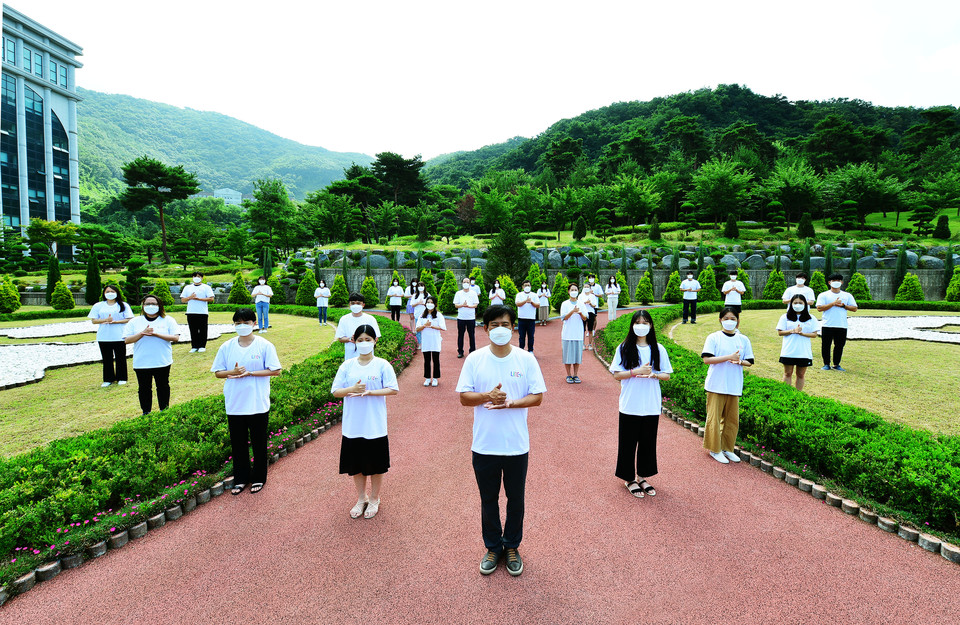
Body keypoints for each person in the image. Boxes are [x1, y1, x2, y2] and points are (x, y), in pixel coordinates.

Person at [456, 305, 546, 577]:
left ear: (513, 327)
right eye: (494, 324)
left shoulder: (525, 359)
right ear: (485, 329)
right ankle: (493, 547)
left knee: (516, 499)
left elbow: (538, 396)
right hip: (484, 445)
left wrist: (510, 403)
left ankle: (512, 547)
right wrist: (487, 396)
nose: (500, 329)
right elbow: (463, 397)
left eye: (505, 324)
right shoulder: (475, 359)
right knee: (489, 499)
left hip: (517, 445)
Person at [211, 308, 282, 495]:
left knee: (258, 442)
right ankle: (241, 478)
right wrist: (231, 373)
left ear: (254, 324)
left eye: (246, 322)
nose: (242, 326)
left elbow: (276, 370)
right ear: (234, 325)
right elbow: (218, 373)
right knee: (238, 443)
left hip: (257, 402)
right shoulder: (226, 347)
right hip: (235, 403)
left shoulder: (265, 345)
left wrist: (251, 373)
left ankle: (259, 478)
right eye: (238, 323)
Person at [331, 325, 399, 519]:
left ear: (375, 341)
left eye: (368, 339)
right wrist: (352, 388)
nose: (364, 343)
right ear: (354, 341)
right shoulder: (347, 366)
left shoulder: (382, 365)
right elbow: (336, 391)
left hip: (375, 424)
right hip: (353, 424)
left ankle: (375, 498)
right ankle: (361, 498)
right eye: (360, 340)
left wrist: (370, 392)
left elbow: (393, 389)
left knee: (377, 465)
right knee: (356, 465)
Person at [609, 310, 672, 498]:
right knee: (628, 443)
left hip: (651, 404)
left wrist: (654, 374)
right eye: (638, 322)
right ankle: (629, 479)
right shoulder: (624, 348)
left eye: (645, 322)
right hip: (630, 404)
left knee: (648, 442)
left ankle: (642, 476)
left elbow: (667, 375)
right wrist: (635, 371)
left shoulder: (658, 349)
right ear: (632, 325)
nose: (641, 325)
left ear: (651, 326)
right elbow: (617, 374)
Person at [700, 308, 754, 464]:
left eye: (733, 318)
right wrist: (729, 357)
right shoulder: (713, 338)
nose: (729, 321)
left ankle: (727, 448)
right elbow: (707, 359)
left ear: (738, 320)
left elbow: (749, 361)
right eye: (726, 318)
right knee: (714, 418)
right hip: (716, 384)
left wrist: (740, 362)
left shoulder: (743, 339)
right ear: (720, 320)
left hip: (734, 384)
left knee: (732, 420)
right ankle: (714, 449)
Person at [124, 295, 181, 415]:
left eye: (154, 304)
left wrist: (157, 334)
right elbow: (127, 340)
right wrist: (142, 333)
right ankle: (146, 412)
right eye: (147, 304)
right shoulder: (135, 322)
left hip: (162, 360)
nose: (150, 306)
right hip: (142, 362)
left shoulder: (168, 320)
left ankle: (164, 410)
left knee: (163, 386)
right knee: (144, 388)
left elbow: (175, 337)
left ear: (159, 305)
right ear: (143, 306)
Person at [88, 284, 134, 387]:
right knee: (106, 358)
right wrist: (106, 320)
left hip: (119, 336)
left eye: (112, 292)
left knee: (120, 358)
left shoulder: (123, 305)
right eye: (107, 292)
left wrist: (116, 322)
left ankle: (122, 377)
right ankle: (108, 379)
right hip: (104, 336)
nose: (110, 294)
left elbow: (129, 318)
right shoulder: (98, 305)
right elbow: (94, 320)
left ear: (117, 293)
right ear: (104, 294)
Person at [815, 273, 858, 372]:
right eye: (834, 281)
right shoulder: (824, 295)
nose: (836, 283)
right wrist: (833, 303)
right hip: (827, 324)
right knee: (826, 345)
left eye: (838, 281)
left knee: (839, 346)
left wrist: (843, 306)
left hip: (841, 325)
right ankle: (826, 364)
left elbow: (854, 308)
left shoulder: (847, 295)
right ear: (829, 282)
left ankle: (836, 364)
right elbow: (819, 308)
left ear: (842, 282)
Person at [777, 295, 820, 391]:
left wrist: (802, 333)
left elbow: (814, 334)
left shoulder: (811, 318)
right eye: (795, 303)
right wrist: (792, 330)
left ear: (805, 304)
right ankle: (786, 394)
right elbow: (780, 332)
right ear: (791, 304)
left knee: (800, 374)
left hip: (803, 351)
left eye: (800, 303)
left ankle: (798, 394)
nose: (798, 305)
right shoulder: (785, 317)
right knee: (787, 373)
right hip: (788, 351)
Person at [335, 293, 381, 360]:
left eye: (358, 303)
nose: (355, 305)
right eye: (353, 303)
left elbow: (376, 338)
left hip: (368, 357)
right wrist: (350, 339)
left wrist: (364, 340)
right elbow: (340, 338)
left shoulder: (370, 319)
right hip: (350, 356)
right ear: (349, 304)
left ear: (363, 305)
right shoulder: (344, 319)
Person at [415, 295, 446, 386]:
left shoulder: (438, 315)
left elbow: (443, 327)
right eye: (428, 302)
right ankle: (427, 378)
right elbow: (417, 329)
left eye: (431, 303)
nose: (430, 304)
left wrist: (432, 326)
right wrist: (424, 325)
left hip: (435, 340)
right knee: (427, 359)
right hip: (426, 341)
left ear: (435, 304)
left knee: (436, 359)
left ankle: (435, 378)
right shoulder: (422, 315)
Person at [180, 271, 214, 353]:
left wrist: (199, 299)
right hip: (191, 312)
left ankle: (202, 346)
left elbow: (211, 298)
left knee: (202, 329)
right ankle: (194, 346)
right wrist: (190, 297)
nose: (196, 278)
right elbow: (183, 300)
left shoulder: (206, 287)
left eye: (199, 276)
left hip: (202, 312)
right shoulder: (187, 287)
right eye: (195, 276)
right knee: (193, 330)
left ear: (202, 278)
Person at [561, 283, 588, 383]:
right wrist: (573, 311)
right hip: (567, 334)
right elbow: (564, 317)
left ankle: (575, 375)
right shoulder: (565, 304)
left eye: (575, 289)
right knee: (568, 356)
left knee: (577, 356)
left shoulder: (581, 303)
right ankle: (568, 375)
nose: (574, 292)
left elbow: (585, 317)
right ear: (568, 291)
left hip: (578, 334)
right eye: (572, 290)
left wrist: (580, 312)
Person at [454, 277, 479, 358]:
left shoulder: (473, 293)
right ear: (462, 283)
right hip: (461, 318)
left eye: (467, 282)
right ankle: (460, 351)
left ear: (469, 283)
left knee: (471, 335)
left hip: (471, 318)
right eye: (464, 282)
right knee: (460, 335)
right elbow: (456, 305)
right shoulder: (458, 293)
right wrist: (462, 305)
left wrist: (469, 306)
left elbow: (476, 304)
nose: (466, 283)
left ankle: (472, 351)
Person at [515, 279, 538, 353]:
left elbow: (538, 305)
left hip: (531, 319)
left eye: (528, 285)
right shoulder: (519, 295)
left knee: (531, 336)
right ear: (522, 287)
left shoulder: (534, 295)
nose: (527, 287)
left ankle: (530, 350)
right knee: (522, 336)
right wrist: (525, 301)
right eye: (525, 285)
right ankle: (521, 350)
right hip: (521, 318)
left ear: (530, 286)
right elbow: (518, 304)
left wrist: (531, 302)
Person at [577, 279, 599, 351]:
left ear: (590, 288)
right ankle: (582, 344)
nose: (586, 288)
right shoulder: (580, 296)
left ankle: (590, 344)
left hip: (591, 313)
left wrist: (590, 303)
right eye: (585, 287)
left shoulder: (592, 296)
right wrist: (584, 302)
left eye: (587, 287)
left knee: (590, 329)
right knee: (582, 329)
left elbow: (594, 305)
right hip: (583, 313)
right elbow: (579, 304)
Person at [411, 281, 428, 349]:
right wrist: (418, 303)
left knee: (426, 329)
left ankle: (426, 343)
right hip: (417, 315)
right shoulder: (415, 295)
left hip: (426, 315)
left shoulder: (427, 295)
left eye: (422, 286)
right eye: (419, 286)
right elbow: (412, 305)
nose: (421, 287)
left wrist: (423, 303)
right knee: (418, 329)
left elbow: (430, 304)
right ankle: (420, 344)